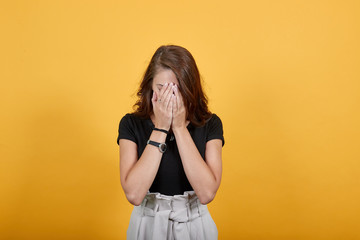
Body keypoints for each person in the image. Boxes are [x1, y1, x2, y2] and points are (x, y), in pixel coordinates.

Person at [116, 45, 225, 240]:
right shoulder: (131, 124)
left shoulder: (211, 124)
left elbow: (207, 193)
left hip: (195, 225)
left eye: (177, 89)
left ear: (190, 88)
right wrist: (161, 128)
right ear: (150, 85)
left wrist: (179, 127)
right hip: (147, 225)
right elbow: (133, 194)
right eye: (162, 88)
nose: (169, 96)